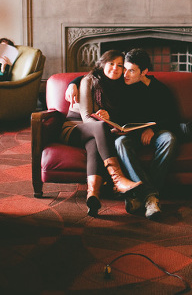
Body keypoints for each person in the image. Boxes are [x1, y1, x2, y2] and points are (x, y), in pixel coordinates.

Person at [59, 50, 141, 216]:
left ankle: (93, 196)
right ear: (103, 63)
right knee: (101, 128)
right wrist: (107, 128)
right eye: (111, 64)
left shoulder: (121, 86)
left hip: (94, 134)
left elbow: (121, 115)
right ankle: (117, 179)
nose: (115, 69)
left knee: (94, 146)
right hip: (74, 128)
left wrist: (112, 121)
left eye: (120, 66)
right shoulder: (88, 80)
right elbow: (87, 117)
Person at [115, 48, 180, 219]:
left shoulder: (160, 90)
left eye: (131, 70)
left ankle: (140, 195)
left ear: (144, 72)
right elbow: (96, 73)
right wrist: (72, 84)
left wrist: (152, 129)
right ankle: (151, 196)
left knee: (170, 139)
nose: (125, 74)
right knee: (119, 143)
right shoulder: (121, 85)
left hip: (157, 133)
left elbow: (173, 118)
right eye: (125, 69)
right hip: (131, 135)